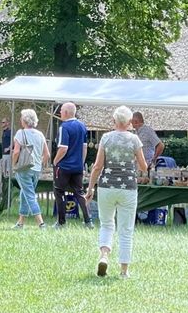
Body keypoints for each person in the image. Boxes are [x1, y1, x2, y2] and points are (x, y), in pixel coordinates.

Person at [85, 106, 147, 278]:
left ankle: (104, 255)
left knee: (106, 224)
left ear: (114, 121)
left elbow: (97, 166)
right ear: (129, 122)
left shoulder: (106, 138)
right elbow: (143, 167)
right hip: (128, 187)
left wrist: (90, 188)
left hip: (106, 187)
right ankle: (124, 271)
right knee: (126, 229)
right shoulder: (134, 140)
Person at [52, 102, 92, 228]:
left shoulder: (64, 127)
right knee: (79, 193)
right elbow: (84, 147)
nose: (60, 113)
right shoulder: (82, 126)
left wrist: (55, 161)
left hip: (64, 166)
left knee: (59, 192)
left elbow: (63, 148)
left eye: (61, 111)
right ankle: (88, 221)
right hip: (77, 167)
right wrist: (81, 162)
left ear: (66, 113)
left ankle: (61, 222)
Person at [11, 108, 50, 229]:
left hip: (24, 168)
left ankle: (41, 223)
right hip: (36, 169)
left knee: (29, 195)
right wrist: (41, 165)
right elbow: (47, 155)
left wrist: (13, 165)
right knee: (25, 193)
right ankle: (20, 222)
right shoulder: (40, 134)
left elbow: (16, 151)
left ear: (24, 120)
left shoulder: (20, 133)